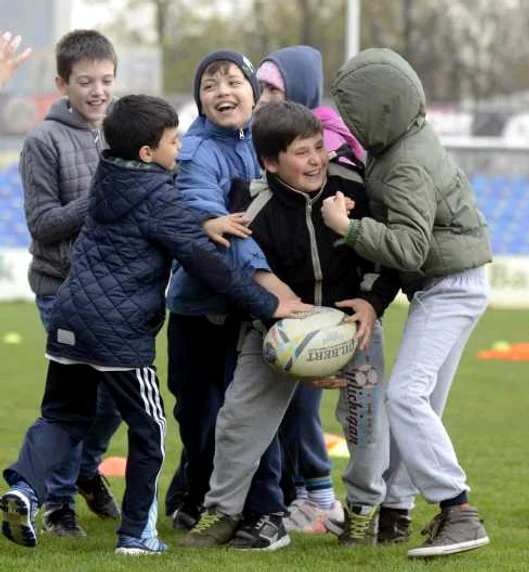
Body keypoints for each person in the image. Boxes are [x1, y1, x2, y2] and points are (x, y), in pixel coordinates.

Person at [0, 94, 310, 555]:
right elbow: (208, 265)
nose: (180, 147)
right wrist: (267, 305)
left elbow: (161, 220)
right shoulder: (161, 198)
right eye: (172, 140)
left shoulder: (106, 175)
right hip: (118, 335)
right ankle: (136, 537)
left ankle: (24, 489)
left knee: (61, 418)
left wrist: (199, 220)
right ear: (148, 154)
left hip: (68, 322)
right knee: (150, 432)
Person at [180, 100, 400, 551]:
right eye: (302, 152)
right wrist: (285, 335)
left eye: (318, 148)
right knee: (238, 418)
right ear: (270, 161)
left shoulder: (352, 184)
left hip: (353, 325)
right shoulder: (250, 203)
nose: (316, 160)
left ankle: (361, 513)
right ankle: (221, 512)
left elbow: (388, 253)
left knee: (365, 423)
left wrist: (374, 303)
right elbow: (240, 276)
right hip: (277, 331)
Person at [321, 48, 492, 559]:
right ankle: (395, 514)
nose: (350, 120)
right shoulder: (403, 142)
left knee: (407, 398)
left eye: (354, 110)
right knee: (425, 403)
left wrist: (347, 228)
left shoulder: (406, 163)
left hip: (450, 286)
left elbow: (411, 247)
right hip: (454, 282)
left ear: (376, 108)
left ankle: (458, 510)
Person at [164, 49, 278, 530]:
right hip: (198, 305)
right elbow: (201, 210)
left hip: (250, 306)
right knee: (197, 412)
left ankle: (261, 509)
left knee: (251, 413)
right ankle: (197, 494)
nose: (222, 92)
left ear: (252, 89)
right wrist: (208, 218)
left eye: (232, 81)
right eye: (210, 85)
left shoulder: (270, 143)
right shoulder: (195, 150)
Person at [19, 29, 122, 538]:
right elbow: (43, 224)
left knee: (119, 399)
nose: (98, 91)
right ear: (63, 83)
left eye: (106, 79)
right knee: (75, 398)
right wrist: (101, 194)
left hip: (117, 290)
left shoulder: (121, 132)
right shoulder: (43, 141)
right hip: (61, 289)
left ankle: (85, 468)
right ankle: (59, 505)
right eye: (86, 81)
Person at [256, 44, 354, 534]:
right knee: (289, 408)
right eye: (263, 88)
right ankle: (307, 496)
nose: (263, 97)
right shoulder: (268, 141)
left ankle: (324, 500)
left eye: (274, 88)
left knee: (309, 406)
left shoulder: (333, 147)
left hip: (326, 309)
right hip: (285, 302)